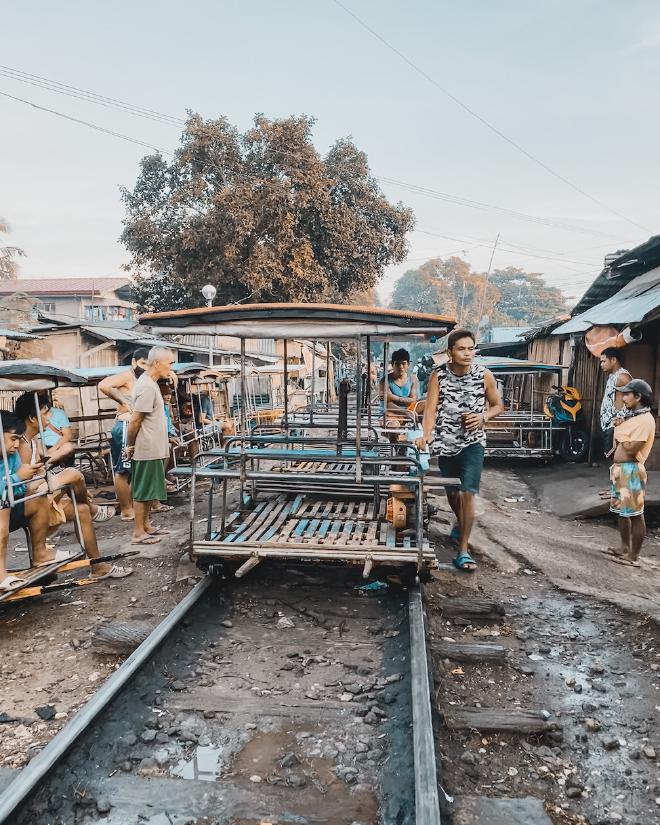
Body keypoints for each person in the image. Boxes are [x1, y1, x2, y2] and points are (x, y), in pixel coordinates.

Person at [417, 329, 503, 571]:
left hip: (473, 443)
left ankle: (463, 550)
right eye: (461, 349)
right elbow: (431, 409)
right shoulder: (439, 375)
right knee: (453, 495)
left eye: (471, 348)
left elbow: (498, 406)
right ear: (450, 352)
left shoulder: (484, 375)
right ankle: (460, 523)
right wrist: (426, 435)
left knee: (468, 493)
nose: (467, 353)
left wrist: (482, 416)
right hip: (446, 443)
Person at [13, 393, 114, 523]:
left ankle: (89, 508)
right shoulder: (22, 444)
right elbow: (26, 485)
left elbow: (41, 469)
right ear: (32, 418)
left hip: (40, 490)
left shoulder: (33, 440)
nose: (50, 418)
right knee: (72, 474)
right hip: (29, 499)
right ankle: (93, 509)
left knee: (82, 510)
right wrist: (61, 483)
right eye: (46, 413)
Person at [126, 346, 176, 546]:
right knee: (143, 491)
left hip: (154, 447)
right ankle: (138, 532)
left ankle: (146, 526)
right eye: (169, 363)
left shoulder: (151, 383)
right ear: (157, 363)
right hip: (146, 448)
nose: (171, 367)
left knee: (149, 491)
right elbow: (135, 420)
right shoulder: (146, 386)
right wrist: (130, 446)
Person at [608, 378, 656, 568]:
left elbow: (630, 447)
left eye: (627, 394)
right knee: (622, 512)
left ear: (638, 397)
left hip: (632, 471)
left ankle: (633, 555)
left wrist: (619, 430)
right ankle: (624, 547)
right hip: (621, 470)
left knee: (635, 514)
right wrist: (622, 430)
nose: (623, 397)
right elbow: (625, 442)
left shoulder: (645, 420)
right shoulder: (633, 417)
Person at [0, 411, 50, 591]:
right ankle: (0, 574)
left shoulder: (13, 457)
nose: (16, 445)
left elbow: (20, 490)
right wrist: (15, 478)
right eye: (13, 438)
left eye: (18, 439)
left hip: (10, 508)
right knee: (2, 505)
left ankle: (40, 554)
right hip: (3, 512)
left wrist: (28, 479)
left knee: (39, 498)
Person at [99, 347, 150, 520]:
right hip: (125, 424)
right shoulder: (127, 376)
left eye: (148, 364)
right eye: (142, 363)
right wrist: (122, 400)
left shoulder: (143, 378)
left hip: (136, 426)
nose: (144, 367)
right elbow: (104, 385)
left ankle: (133, 506)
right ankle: (126, 510)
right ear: (134, 362)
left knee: (135, 468)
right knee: (123, 470)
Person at [599, 348, 632, 457]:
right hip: (609, 424)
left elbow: (628, 400)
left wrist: (618, 422)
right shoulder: (613, 376)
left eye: (604, 361)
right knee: (612, 458)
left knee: (617, 458)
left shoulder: (622, 378)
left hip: (616, 425)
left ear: (613, 360)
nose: (601, 364)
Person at [380, 348, 419, 429]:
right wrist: (405, 411)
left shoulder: (413, 379)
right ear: (392, 364)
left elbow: (413, 400)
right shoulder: (385, 380)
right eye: (397, 364)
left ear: (408, 364)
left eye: (403, 364)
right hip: (390, 413)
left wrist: (394, 398)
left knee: (425, 405)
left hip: (409, 410)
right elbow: (388, 404)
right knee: (393, 426)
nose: (401, 367)